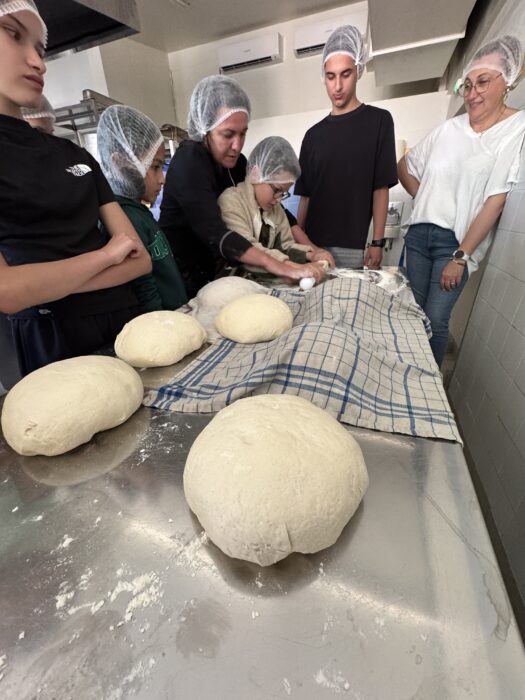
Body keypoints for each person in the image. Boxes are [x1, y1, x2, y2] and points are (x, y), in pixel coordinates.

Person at [0, 0, 152, 376]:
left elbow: (139, 260)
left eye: (40, 47)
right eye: (14, 34)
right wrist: (104, 257)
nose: (39, 62)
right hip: (51, 335)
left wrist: (46, 283)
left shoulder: (70, 151)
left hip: (122, 318)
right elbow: (8, 292)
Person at [398, 35, 525, 366]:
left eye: (482, 82)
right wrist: (422, 194)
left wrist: (460, 256)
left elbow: (495, 201)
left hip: (452, 244)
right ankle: (411, 375)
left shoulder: (515, 128)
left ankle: (430, 388)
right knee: (415, 316)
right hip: (418, 234)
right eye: (467, 85)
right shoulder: (448, 129)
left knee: (437, 321)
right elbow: (405, 166)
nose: (472, 93)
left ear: (507, 82)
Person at [159, 75, 324, 298]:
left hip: (216, 270)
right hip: (184, 274)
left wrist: (313, 250)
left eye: (243, 133)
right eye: (228, 134)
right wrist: (282, 267)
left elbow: (280, 212)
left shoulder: (236, 163)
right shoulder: (189, 163)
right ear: (205, 128)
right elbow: (217, 234)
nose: (237, 146)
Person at [295, 25, 398, 270]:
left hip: (351, 246)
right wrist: (298, 244)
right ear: (323, 77)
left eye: (346, 74)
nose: (337, 86)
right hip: (313, 245)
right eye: (331, 76)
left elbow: (380, 188)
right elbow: (305, 197)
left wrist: (377, 242)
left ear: (359, 71)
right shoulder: (312, 136)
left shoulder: (379, 121)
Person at [97, 104, 187, 313]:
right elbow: (142, 287)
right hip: (163, 322)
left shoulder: (139, 210)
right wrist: (161, 324)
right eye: (155, 167)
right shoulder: (122, 217)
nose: (162, 179)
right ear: (120, 163)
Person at [219, 136, 331, 277]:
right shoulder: (232, 201)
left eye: (284, 193)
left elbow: (285, 246)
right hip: (233, 279)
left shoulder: (276, 209)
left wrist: (311, 255)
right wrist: (290, 268)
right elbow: (247, 248)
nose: (278, 199)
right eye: (277, 190)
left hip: (263, 280)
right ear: (256, 174)